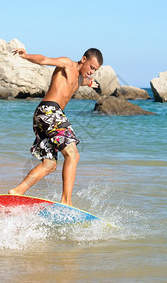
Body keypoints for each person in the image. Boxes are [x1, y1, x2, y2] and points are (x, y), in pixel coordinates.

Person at [8, 48, 103, 206]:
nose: (92, 72)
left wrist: (90, 82)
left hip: (44, 115)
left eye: (95, 70)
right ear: (84, 59)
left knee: (49, 165)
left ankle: (17, 191)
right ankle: (66, 201)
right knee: (73, 155)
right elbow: (44, 60)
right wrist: (26, 56)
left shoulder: (80, 79)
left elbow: (83, 82)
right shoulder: (67, 65)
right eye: (91, 67)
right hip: (49, 111)